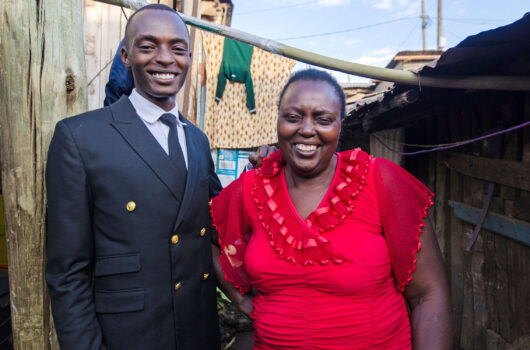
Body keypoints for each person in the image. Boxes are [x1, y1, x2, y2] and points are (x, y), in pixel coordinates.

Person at [212, 69, 453, 349]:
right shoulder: (252, 188)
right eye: (293, 117)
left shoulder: (381, 181)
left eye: (323, 119)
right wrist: (241, 299)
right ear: (277, 120)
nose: (306, 129)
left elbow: (428, 295)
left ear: (340, 124)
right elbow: (205, 234)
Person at [46, 4, 222, 349]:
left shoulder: (198, 141)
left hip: (198, 332)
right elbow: (68, 272)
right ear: (126, 56)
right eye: (148, 46)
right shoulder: (81, 137)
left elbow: (214, 228)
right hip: (129, 336)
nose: (165, 59)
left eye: (177, 48)